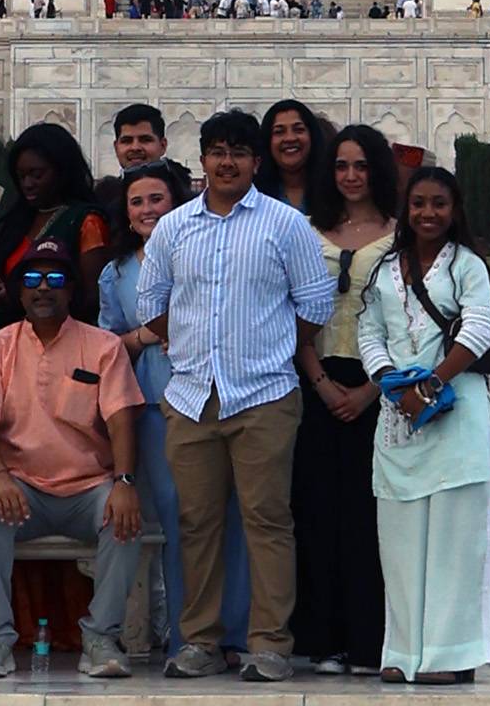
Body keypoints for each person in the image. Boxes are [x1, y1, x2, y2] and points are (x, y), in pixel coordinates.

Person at [137, 107, 334, 681]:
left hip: (265, 394)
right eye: (217, 151)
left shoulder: (283, 224)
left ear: (255, 161)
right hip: (194, 395)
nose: (227, 162)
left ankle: (270, 643)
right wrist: (198, 349)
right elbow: (153, 307)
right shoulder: (175, 227)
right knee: (196, 523)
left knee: (267, 520)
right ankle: (199, 640)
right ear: (202, 159)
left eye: (239, 152)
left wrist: (265, 350)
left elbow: (314, 307)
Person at [0, 235, 146, 679]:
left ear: (72, 290)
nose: (44, 287)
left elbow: (121, 420)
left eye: (56, 278)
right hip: (22, 490)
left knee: (123, 516)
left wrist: (124, 483)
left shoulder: (103, 346)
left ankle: (101, 638)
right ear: (20, 291)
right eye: (33, 279)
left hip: (89, 488)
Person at [99, 159, 248, 657]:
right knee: (182, 519)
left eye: (156, 199)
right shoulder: (116, 271)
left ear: (177, 201)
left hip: (220, 396)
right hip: (155, 408)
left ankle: (236, 631)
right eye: (136, 201)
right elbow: (108, 345)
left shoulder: (206, 250)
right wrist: (148, 334)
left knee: (231, 515)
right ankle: (190, 636)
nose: (146, 210)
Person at [358, 165, 490, 681]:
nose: (428, 213)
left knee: (454, 542)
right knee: (400, 542)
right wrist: (393, 382)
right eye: (419, 203)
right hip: (400, 418)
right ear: (406, 209)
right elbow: (369, 332)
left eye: (439, 203)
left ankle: (449, 655)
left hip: (457, 411)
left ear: (454, 208)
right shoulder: (385, 269)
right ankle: (403, 654)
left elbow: (479, 330)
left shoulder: (467, 266)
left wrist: (431, 385)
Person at [292, 124, 398, 672]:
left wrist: (370, 391)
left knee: (370, 517)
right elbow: (294, 319)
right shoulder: (308, 233)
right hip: (317, 383)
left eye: (360, 166)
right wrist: (323, 383)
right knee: (317, 512)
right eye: (340, 166)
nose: (351, 176)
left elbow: (411, 327)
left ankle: (370, 639)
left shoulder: (401, 237)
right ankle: (324, 638)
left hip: (380, 386)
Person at [0, 122, 109, 321]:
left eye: (37, 175)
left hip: (64, 339)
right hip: (14, 337)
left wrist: (17, 298)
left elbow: (91, 298)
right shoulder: (21, 217)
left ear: (62, 172)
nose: (27, 184)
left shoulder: (86, 222)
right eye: (21, 176)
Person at [255, 99, 328, 212]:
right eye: (279, 132)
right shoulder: (253, 194)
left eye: (298, 130)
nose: (290, 138)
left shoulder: (333, 189)